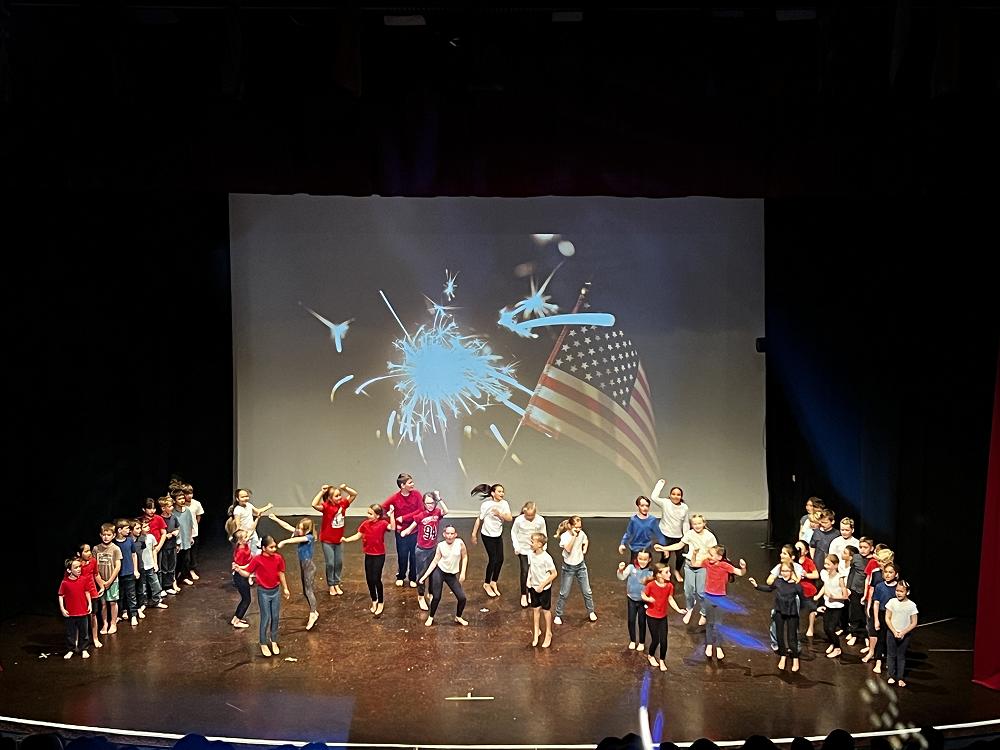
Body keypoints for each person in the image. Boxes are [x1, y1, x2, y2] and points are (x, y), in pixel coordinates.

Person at [233, 535, 289, 657]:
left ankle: (273, 640)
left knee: (275, 617)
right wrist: (238, 570)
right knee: (266, 617)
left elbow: (281, 573)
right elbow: (247, 572)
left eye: (274, 547)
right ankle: (263, 642)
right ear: (264, 548)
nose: (274, 549)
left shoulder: (278, 558)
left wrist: (285, 588)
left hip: (275, 591)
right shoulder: (257, 559)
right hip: (263, 592)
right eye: (271, 547)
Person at [656, 513, 716, 626]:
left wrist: (700, 560)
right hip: (689, 565)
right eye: (694, 524)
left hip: (702, 566)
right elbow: (679, 545)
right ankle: (689, 609)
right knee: (688, 591)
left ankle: (704, 613)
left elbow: (712, 553)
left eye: (699, 523)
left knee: (701, 592)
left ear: (704, 523)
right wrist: (664, 548)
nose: (697, 526)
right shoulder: (690, 534)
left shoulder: (709, 536)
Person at [749, 562, 804, 671]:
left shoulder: (796, 585)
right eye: (782, 571)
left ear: (791, 571)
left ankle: (795, 658)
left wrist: (815, 608)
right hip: (779, 611)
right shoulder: (778, 582)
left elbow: (804, 599)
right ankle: (783, 656)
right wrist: (757, 586)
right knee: (779, 636)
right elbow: (769, 588)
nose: (784, 573)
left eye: (787, 571)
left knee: (792, 638)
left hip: (792, 613)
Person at [400, 490, 448, 611]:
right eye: (427, 503)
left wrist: (439, 498)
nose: (430, 506)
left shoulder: (437, 512)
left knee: (433, 573)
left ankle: (430, 593)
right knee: (421, 574)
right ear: (424, 504)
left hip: (433, 548)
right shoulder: (421, 515)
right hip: (422, 550)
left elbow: (446, 511)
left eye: (432, 503)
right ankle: (420, 596)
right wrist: (406, 531)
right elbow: (412, 526)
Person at [271, 515, 321, 631]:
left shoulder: (309, 537)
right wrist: (276, 519)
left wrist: (284, 541)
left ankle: (313, 613)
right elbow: (287, 526)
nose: (298, 530)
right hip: (304, 566)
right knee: (305, 591)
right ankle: (313, 610)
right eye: (298, 528)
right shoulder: (301, 533)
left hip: (309, 568)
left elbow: (296, 540)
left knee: (308, 591)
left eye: (301, 529)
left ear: (307, 530)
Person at [343, 504, 395, 615]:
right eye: (368, 513)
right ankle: (374, 600)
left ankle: (380, 602)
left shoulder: (383, 523)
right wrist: (347, 539)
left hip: (379, 555)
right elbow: (358, 535)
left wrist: (392, 515)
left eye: (370, 514)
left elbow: (393, 527)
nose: (368, 515)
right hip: (369, 555)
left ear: (377, 516)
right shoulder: (365, 524)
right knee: (369, 579)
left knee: (376, 579)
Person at [699, 545, 747, 659]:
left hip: (720, 598)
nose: (709, 557)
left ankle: (718, 646)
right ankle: (709, 645)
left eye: (711, 555)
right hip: (709, 597)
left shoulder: (725, 566)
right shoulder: (707, 563)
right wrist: (695, 554)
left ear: (719, 557)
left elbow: (740, 573)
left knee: (719, 624)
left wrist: (743, 567)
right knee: (710, 622)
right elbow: (694, 563)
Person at [418, 525, 469, 626]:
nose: (450, 536)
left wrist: (463, 572)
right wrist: (424, 577)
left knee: (462, 598)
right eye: (448, 534)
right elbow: (435, 561)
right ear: (444, 534)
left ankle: (458, 617)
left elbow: (465, 556)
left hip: (451, 575)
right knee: (436, 597)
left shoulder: (460, 543)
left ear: (455, 535)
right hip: (440, 572)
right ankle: (431, 617)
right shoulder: (441, 545)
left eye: (452, 534)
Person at [312, 482, 358, 596]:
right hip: (327, 540)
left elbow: (354, 494)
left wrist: (345, 488)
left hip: (338, 540)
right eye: (336, 496)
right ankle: (331, 585)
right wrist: (322, 492)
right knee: (330, 563)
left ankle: (337, 583)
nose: (340, 497)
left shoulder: (343, 504)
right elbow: (314, 504)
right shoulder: (326, 507)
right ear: (330, 498)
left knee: (339, 563)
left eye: (340, 495)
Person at [640, 563, 686, 671]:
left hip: (662, 617)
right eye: (667, 572)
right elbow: (643, 594)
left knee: (664, 640)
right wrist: (648, 599)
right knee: (655, 639)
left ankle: (662, 660)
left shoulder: (669, 586)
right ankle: (651, 655)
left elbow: (670, 599)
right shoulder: (651, 585)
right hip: (652, 616)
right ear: (659, 574)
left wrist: (678, 609)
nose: (669, 574)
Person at [470, 483, 513, 598]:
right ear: (493, 493)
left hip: (497, 534)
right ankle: (486, 583)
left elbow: (509, 518)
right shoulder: (486, 505)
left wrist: (499, 514)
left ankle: (494, 581)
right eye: (499, 491)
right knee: (493, 559)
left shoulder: (504, 504)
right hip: (487, 535)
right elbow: (479, 519)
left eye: (503, 491)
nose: (502, 493)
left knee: (500, 559)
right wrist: (474, 534)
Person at [381, 473, 424, 588]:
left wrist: (404, 518)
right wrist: (392, 520)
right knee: (402, 555)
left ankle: (413, 578)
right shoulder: (395, 498)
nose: (413, 484)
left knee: (414, 555)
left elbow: (421, 510)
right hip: (401, 532)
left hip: (414, 530)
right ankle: (400, 576)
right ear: (402, 485)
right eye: (410, 483)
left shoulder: (417, 494)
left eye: (412, 482)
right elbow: (382, 509)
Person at [553, 516, 597, 625]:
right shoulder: (565, 536)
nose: (578, 529)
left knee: (587, 591)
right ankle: (558, 614)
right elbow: (568, 549)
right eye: (576, 527)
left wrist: (584, 549)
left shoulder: (581, 534)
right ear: (570, 526)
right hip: (568, 568)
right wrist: (573, 536)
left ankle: (591, 611)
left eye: (580, 527)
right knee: (564, 593)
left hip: (581, 566)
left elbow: (586, 540)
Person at [649, 480, 690, 583]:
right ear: (670, 495)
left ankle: (676, 571)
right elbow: (654, 497)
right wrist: (660, 484)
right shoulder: (665, 503)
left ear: (681, 496)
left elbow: (685, 522)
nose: (676, 496)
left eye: (678, 495)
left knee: (680, 556)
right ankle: (660, 573)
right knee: (665, 556)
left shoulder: (684, 507)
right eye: (673, 494)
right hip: (665, 535)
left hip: (678, 536)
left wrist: (686, 537)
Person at [511, 501, 547, 608]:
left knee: (533, 571)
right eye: (528, 516)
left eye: (532, 516)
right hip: (523, 549)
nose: (530, 518)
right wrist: (516, 546)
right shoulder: (519, 520)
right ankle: (523, 594)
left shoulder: (540, 520)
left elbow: (543, 534)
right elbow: (513, 532)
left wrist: (543, 548)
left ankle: (531, 592)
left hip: (534, 550)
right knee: (525, 571)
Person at [617, 549, 653, 652]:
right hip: (631, 599)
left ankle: (641, 642)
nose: (642, 561)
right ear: (636, 558)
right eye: (640, 559)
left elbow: (653, 586)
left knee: (642, 621)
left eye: (645, 559)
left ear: (649, 559)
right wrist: (620, 570)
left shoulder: (650, 572)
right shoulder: (631, 568)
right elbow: (621, 577)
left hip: (643, 601)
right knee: (631, 620)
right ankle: (632, 640)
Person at [526, 532, 558, 648]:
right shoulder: (531, 554)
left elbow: (554, 573)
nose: (530, 543)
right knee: (535, 610)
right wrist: (528, 580)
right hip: (533, 586)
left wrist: (542, 585)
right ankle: (536, 633)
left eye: (532, 542)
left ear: (539, 544)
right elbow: (531, 568)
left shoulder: (546, 558)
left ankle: (548, 633)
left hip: (544, 588)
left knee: (545, 610)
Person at [815, 553, 849, 659]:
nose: (826, 566)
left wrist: (834, 597)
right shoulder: (826, 575)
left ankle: (838, 648)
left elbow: (845, 596)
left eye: (828, 564)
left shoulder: (840, 578)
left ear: (835, 565)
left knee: (831, 628)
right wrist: (818, 596)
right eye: (825, 564)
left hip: (837, 607)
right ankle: (832, 643)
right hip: (828, 605)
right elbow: (825, 586)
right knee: (826, 628)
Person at [885, 579, 918, 687]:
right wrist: (894, 631)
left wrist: (903, 632)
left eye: (901, 591)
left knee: (901, 656)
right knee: (891, 655)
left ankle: (900, 678)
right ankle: (891, 676)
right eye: (897, 591)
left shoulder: (911, 605)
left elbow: (914, 622)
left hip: (905, 634)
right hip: (892, 632)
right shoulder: (892, 602)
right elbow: (887, 618)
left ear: (907, 592)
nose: (898, 593)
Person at [58, 558, 92, 659]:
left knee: (84, 632)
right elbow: (61, 595)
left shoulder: (83, 579)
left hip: (83, 612)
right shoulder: (65, 582)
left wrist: (89, 604)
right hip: (71, 613)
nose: (79, 569)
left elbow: (87, 592)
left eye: (79, 567)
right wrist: (62, 608)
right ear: (69, 570)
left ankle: (84, 649)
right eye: (76, 567)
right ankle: (71, 649)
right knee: (70, 633)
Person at [93, 523, 122, 636]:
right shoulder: (96, 548)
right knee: (103, 604)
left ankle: (113, 623)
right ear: (100, 535)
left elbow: (117, 566)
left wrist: (110, 581)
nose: (106, 537)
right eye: (104, 534)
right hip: (100, 581)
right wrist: (101, 582)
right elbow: (94, 566)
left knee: (113, 602)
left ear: (113, 535)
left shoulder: (115, 549)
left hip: (112, 581)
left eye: (108, 535)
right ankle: (105, 624)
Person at [870, 561, 899, 675]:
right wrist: (876, 620)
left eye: (890, 572)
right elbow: (876, 603)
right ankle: (878, 662)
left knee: (892, 640)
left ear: (896, 574)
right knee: (881, 639)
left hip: (894, 616)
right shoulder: (880, 586)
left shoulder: (898, 587)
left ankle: (890, 661)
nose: (887, 574)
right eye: (886, 572)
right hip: (882, 615)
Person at [619, 496, 666, 563]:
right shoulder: (633, 520)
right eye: (642, 505)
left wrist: (664, 548)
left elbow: (659, 534)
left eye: (647, 506)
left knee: (646, 566)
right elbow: (628, 533)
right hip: (635, 548)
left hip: (646, 548)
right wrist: (622, 543)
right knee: (633, 566)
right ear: (638, 506)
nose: (645, 508)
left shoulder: (652, 520)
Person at [76, 543, 104, 648]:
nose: (89, 553)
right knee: (79, 618)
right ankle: (77, 640)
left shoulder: (93, 561)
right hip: (80, 594)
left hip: (92, 592)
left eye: (89, 550)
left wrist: (101, 586)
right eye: (86, 551)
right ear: (79, 553)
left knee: (93, 615)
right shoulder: (76, 564)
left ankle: (95, 638)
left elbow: (96, 574)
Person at [231, 488, 273, 557]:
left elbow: (258, 511)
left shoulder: (249, 505)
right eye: (242, 497)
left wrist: (268, 506)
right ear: (237, 499)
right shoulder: (237, 510)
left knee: (255, 550)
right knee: (247, 552)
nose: (245, 498)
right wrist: (240, 537)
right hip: (245, 535)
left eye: (246, 496)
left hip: (253, 532)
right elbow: (238, 525)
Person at [113, 519, 139, 626]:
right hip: (117, 574)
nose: (129, 530)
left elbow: (134, 554)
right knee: (119, 595)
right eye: (127, 528)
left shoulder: (129, 540)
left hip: (129, 572)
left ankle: (133, 615)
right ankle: (120, 613)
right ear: (119, 530)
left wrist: (135, 569)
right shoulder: (113, 543)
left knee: (131, 595)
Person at [792, 540, 820, 637]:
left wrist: (806, 575)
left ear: (806, 551)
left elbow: (816, 575)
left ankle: (811, 627)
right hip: (795, 588)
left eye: (800, 548)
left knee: (811, 609)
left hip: (807, 589)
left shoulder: (808, 561)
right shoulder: (792, 561)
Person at [229, 529, 253, 629]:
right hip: (240, 577)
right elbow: (237, 567)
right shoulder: (240, 551)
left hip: (243, 576)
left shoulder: (244, 545)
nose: (248, 538)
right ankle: (237, 621)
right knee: (247, 600)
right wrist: (251, 564)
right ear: (240, 541)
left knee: (245, 598)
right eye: (245, 537)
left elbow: (251, 531)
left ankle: (235, 618)